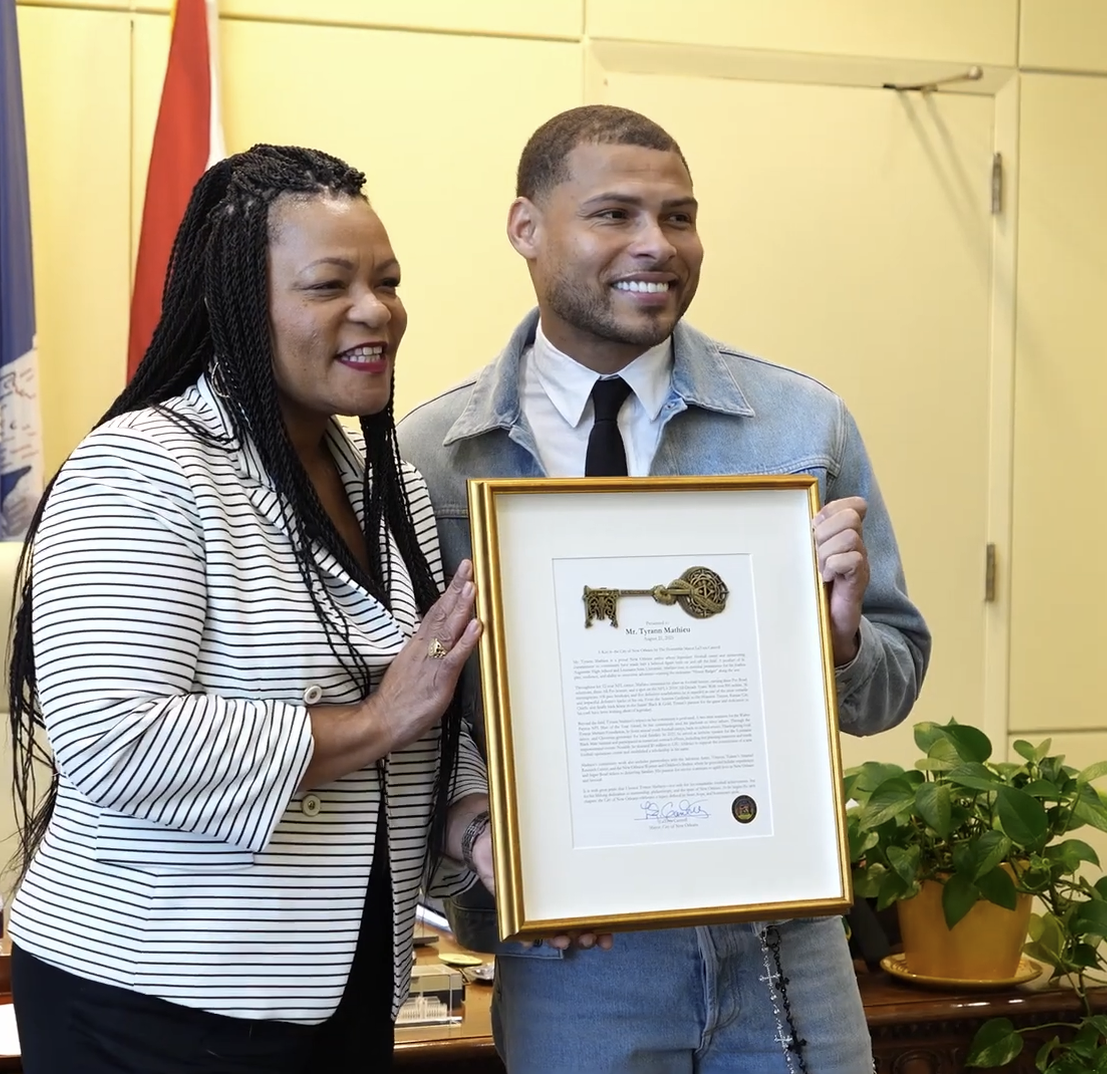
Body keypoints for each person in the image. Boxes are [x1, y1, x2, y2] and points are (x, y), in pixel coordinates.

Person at [398, 105, 933, 1072]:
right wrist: (482, 852)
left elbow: (894, 680)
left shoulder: (800, 427)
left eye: (679, 216)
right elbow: (414, 720)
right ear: (526, 228)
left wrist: (844, 646)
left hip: (783, 951)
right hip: (570, 961)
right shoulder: (432, 459)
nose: (657, 245)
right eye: (614, 215)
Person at [2, 144, 495, 1073]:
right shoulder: (142, 469)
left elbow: (422, 702)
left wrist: (474, 823)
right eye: (328, 284)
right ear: (234, 304)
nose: (375, 310)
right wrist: (377, 720)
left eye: (387, 281)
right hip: (152, 999)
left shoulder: (391, 488)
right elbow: (112, 741)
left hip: (345, 986)